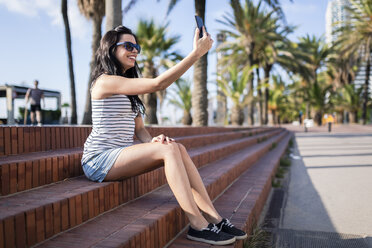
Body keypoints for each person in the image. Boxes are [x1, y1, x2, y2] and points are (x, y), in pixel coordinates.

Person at [81, 25, 247, 245]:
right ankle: (197, 225)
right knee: (169, 150)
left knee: (177, 147)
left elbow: (139, 129)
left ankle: (215, 219)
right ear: (111, 49)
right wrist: (196, 54)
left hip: (119, 155)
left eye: (137, 47)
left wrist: (153, 142)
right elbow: (158, 83)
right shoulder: (105, 81)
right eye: (128, 46)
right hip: (98, 159)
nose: (135, 51)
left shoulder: (127, 88)